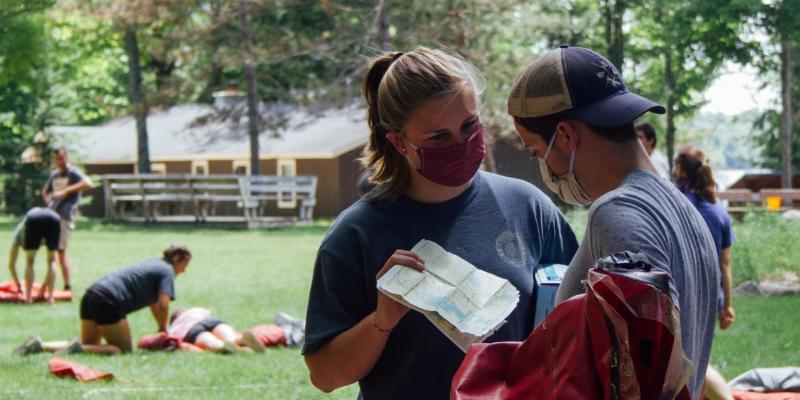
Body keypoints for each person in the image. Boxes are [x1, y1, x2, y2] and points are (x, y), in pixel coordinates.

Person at [303, 47, 579, 399]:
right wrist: (381, 320)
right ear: (398, 142)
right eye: (438, 137)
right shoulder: (356, 234)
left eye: (469, 126)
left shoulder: (528, 206)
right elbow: (325, 375)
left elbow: (577, 317)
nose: (461, 144)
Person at [507, 45, 719, 399]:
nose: (542, 166)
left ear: (564, 136)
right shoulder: (681, 208)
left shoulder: (618, 213)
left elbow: (644, 380)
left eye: (535, 151)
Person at [13, 244, 191, 356]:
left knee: (91, 346)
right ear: (177, 259)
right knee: (122, 349)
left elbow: (154, 304)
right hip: (108, 300)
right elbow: (163, 303)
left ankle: (40, 345)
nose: (184, 271)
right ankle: (77, 349)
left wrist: (161, 327)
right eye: (185, 265)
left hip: (92, 294)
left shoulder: (154, 265)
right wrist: (163, 328)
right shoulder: (167, 270)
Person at [673, 146, 737, 400]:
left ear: (678, 169)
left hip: (679, 292)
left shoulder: (675, 206)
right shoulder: (719, 212)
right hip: (711, 297)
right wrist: (727, 306)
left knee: (691, 361)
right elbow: (725, 265)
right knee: (695, 357)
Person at [41, 147, 92, 292]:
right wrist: (49, 200)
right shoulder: (55, 175)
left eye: (61, 158)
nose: (59, 161)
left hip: (65, 216)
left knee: (61, 250)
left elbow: (88, 183)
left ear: (66, 157)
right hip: (53, 216)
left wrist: (66, 190)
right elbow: (45, 191)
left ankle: (67, 285)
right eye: (56, 158)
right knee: (52, 251)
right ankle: (48, 284)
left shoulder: (73, 172)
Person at [7, 207, 61, 304]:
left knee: (30, 261)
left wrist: (18, 285)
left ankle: (27, 299)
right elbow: (54, 261)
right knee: (52, 261)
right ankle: (51, 298)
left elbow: (11, 264)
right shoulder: (23, 229)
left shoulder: (18, 232)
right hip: (54, 217)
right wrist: (44, 287)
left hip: (34, 219)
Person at [168, 307, 263, 353]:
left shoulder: (174, 326)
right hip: (210, 321)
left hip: (191, 330)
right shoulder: (194, 310)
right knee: (231, 337)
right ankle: (241, 339)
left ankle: (224, 347)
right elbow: (210, 311)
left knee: (214, 344)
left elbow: (170, 340)